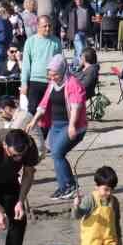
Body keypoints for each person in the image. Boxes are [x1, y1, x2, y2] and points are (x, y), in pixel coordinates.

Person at [34, 52, 90, 199]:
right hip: (55, 124)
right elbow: (44, 103)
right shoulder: (53, 84)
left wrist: (72, 126)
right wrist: (33, 121)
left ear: (63, 71)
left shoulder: (73, 83)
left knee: (58, 152)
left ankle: (69, 186)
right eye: (50, 75)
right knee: (55, 154)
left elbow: (76, 106)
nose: (52, 78)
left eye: (55, 75)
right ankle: (63, 186)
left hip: (73, 125)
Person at [18, 14, 60, 142]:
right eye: (44, 26)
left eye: (49, 26)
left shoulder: (56, 41)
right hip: (35, 81)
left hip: (51, 82)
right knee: (31, 111)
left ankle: (42, 140)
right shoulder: (30, 41)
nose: (47, 28)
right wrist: (24, 83)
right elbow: (26, 64)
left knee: (48, 113)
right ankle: (26, 137)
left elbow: (59, 62)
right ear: (38, 26)